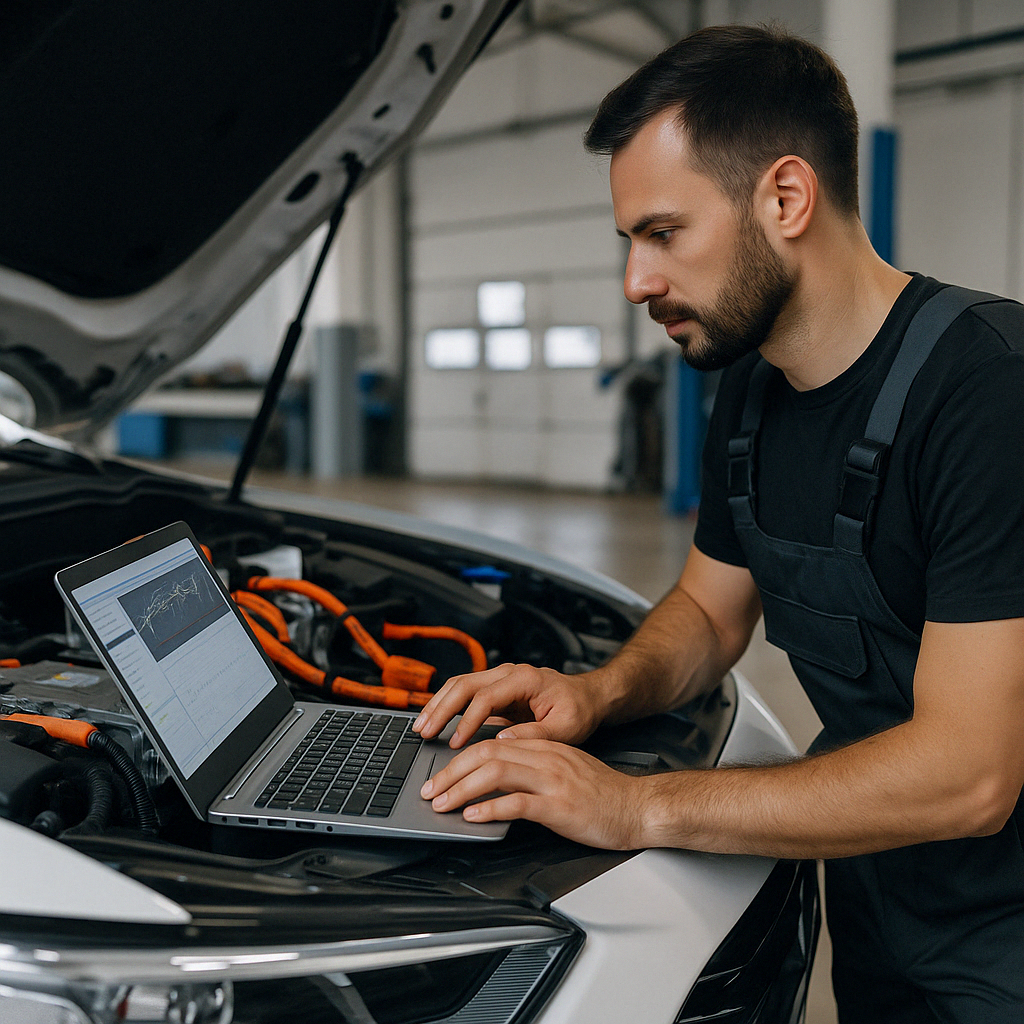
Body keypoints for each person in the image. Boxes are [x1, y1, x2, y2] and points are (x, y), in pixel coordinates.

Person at [412, 24, 1024, 1023]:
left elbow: (969, 775)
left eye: (663, 234)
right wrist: (594, 693)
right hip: (877, 884)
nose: (635, 283)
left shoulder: (987, 394)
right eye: (630, 244)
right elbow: (707, 609)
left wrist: (638, 804)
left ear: (784, 198)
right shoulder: (751, 391)